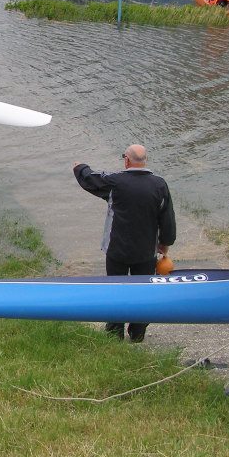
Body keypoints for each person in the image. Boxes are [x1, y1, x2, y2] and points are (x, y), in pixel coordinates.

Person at [73, 145, 177, 342]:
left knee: (115, 290)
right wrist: (165, 242)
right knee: (142, 293)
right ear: (145, 161)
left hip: (117, 250)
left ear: (127, 160)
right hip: (145, 251)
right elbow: (168, 218)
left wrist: (79, 167)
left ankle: (114, 333)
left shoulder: (116, 182)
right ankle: (137, 333)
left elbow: (91, 180)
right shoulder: (159, 185)